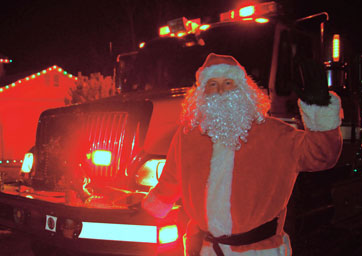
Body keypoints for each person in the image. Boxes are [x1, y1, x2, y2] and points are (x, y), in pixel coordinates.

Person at [140, 53, 342, 255]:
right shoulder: (188, 135)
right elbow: (172, 177)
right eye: (212, 84)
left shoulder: (274, 133)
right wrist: (153, 206)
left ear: (243, 91)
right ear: (202, 94)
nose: (220, 91)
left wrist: (319, 110)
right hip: (205, 249)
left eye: (227, 83)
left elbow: (321, 155)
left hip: (258, 250)